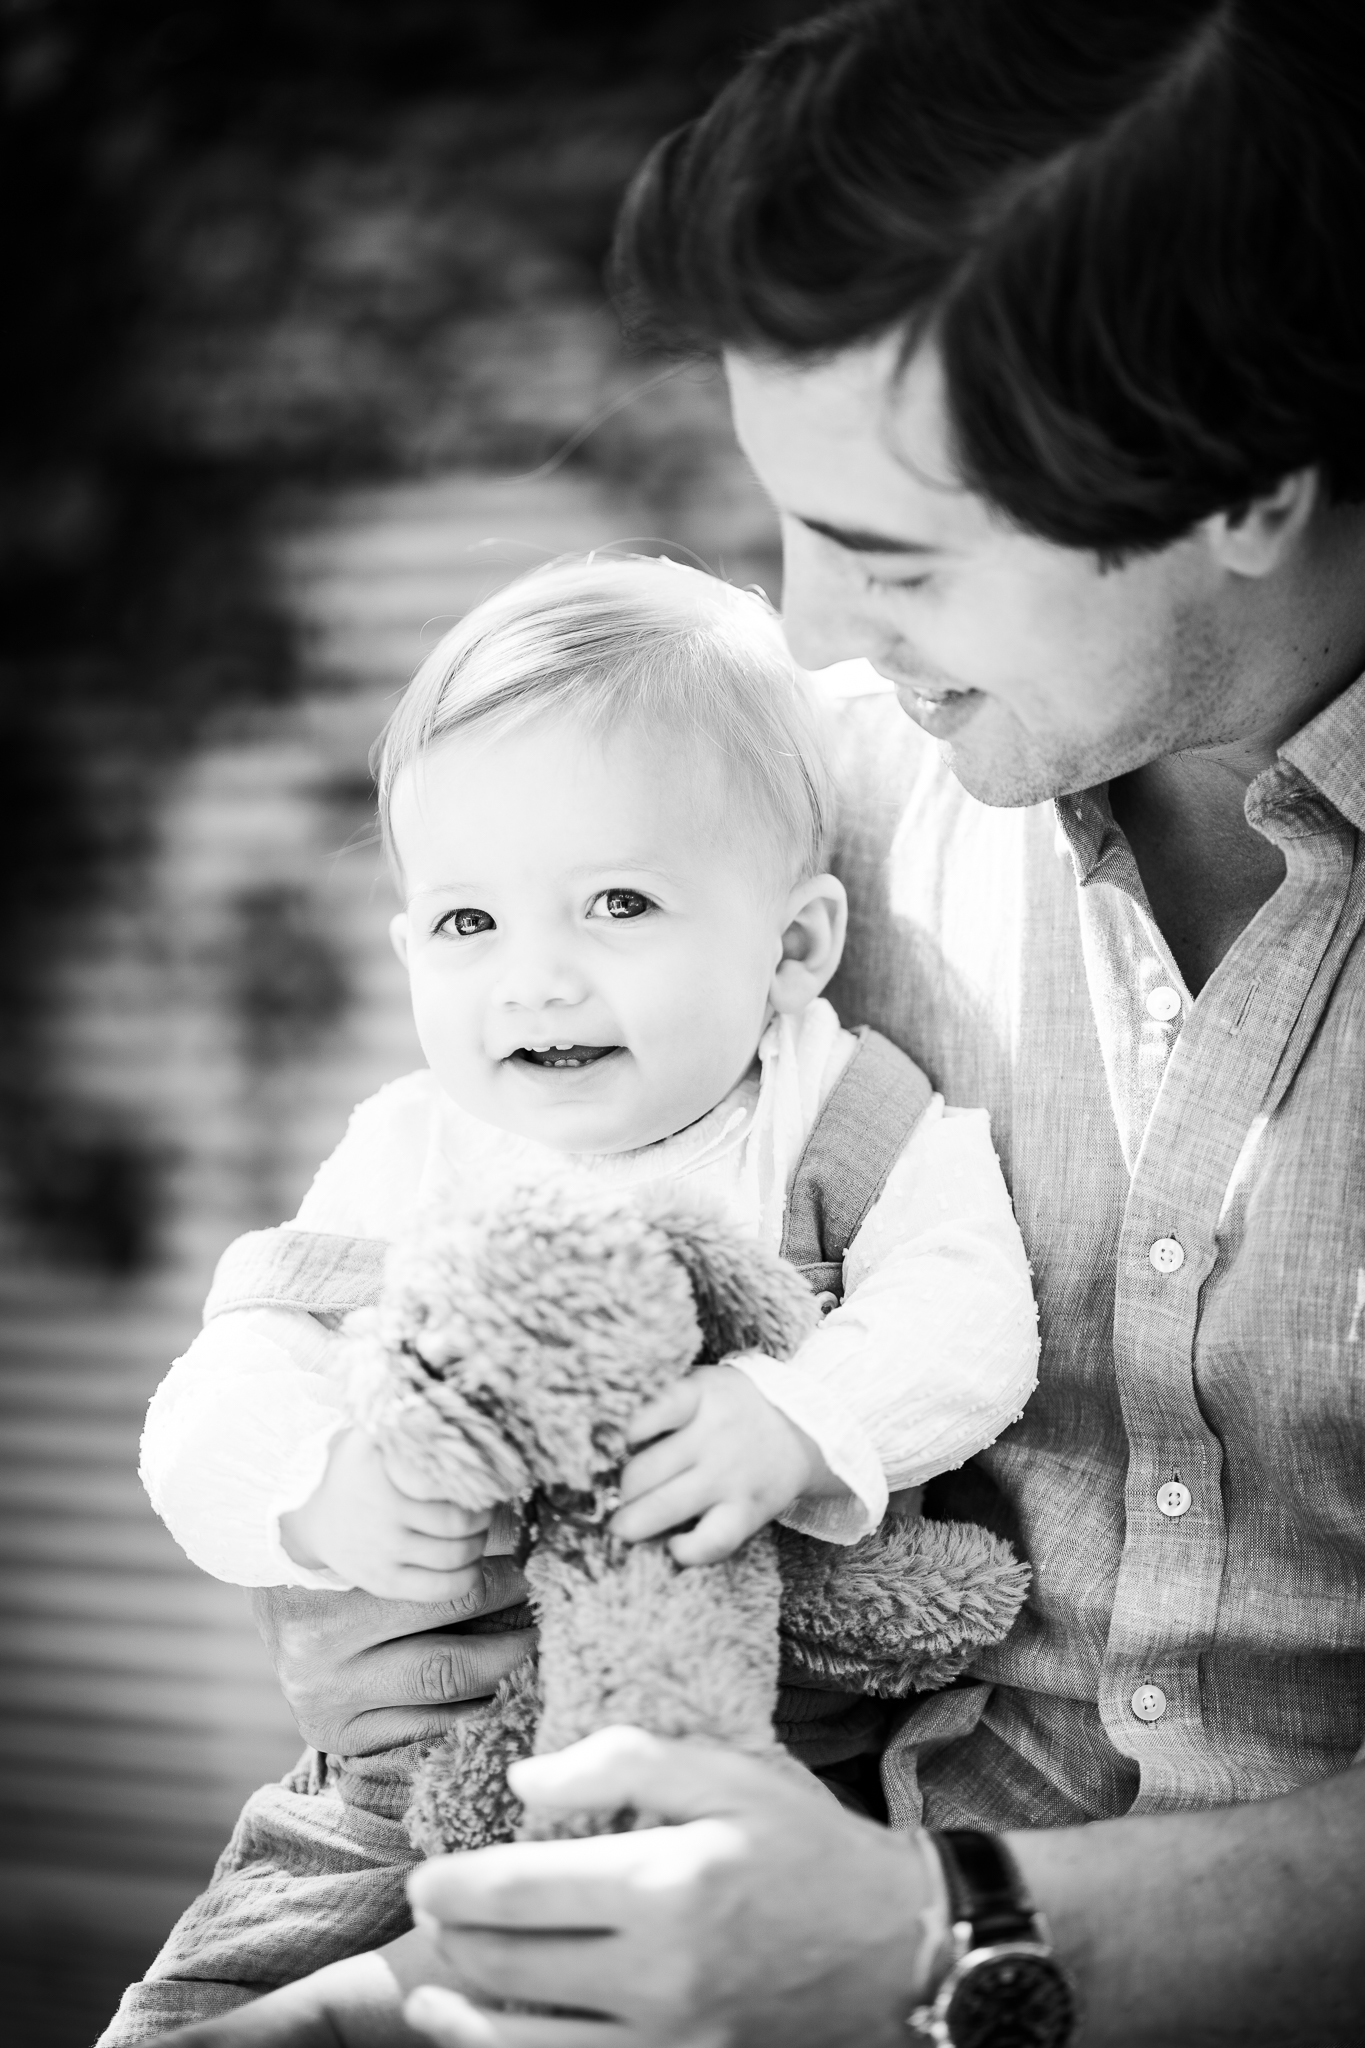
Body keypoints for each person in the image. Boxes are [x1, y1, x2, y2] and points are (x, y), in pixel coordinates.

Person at [115, 2, 1365, 2041]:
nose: (810, 627)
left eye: (892, 554)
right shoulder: (790, 810)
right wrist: (375, 1571)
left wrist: (932, 1933)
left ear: (1247, 486)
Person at [103, 554, 1039, 2042]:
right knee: (216, 2008)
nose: (533, 981)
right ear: (410, 949)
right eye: (468, 924)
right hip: (404, 1789)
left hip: (766, 1773)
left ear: (794, 945)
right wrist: (313, 1491)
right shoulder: (414, 1150)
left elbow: (969, 1310)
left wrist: (796, 1417)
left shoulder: (844, 1116)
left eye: (617, 902)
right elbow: (226, 1381)